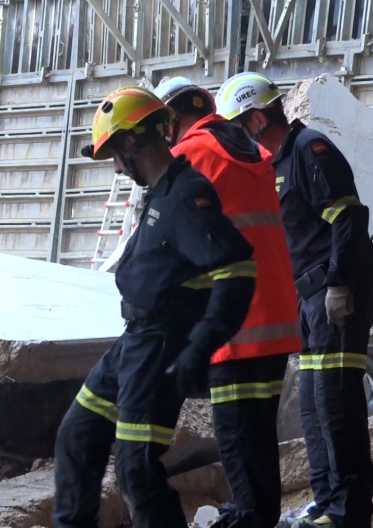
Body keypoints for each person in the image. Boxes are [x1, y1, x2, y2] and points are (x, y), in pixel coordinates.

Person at [53, 86, 258, 528]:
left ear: (132, 142)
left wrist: (198, 349)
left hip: (161, 346)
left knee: (136, 469)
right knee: (77, 435)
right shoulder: (160, 194)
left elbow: (237, 271)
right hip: (134, 341)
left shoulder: (187, 194)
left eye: (114, 154)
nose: (116, 167)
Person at [216, 72, 373, 528]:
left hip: (336, 291)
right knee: (312, 404)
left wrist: (338, 283)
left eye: (234, 127)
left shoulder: (311, 149)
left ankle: (348, 513)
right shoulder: (275, 164)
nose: (232, 138)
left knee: (335, 403)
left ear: (254, 120)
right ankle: (327, 501)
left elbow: (346, 218)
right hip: (308, 298)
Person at [152, 76, 300, 527]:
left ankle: (251, 519)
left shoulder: (189, 155)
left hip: (236, 324)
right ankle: (258, 516)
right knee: (257, 437)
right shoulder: (247, 149)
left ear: (172, 122)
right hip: (273, 319)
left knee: (238, 437)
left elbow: (166, 248)